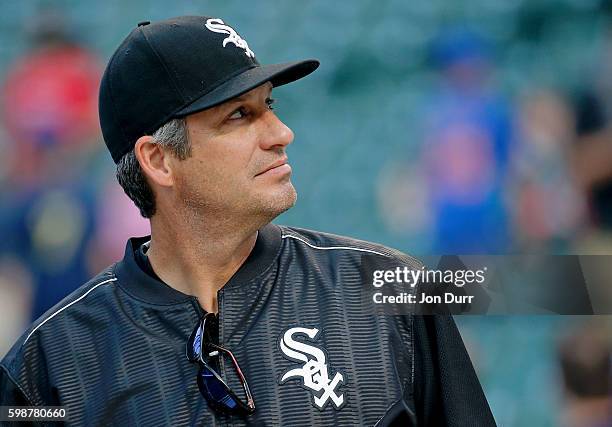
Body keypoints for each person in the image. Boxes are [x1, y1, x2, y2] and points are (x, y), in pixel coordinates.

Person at [0, 16, 496, 426]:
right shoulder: (47, 366)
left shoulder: (395, 293)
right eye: (239, 115)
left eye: (270, 107)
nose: (282, 133)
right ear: (158, 161)